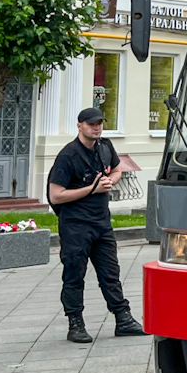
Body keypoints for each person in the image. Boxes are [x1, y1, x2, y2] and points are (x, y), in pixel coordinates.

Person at [48, 108, 144, 343]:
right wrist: (92, 189)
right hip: (75, 225)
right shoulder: (68, 156)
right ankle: (75, 324)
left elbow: (118, 170)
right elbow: (56, 195)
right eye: (92, 124)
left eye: (100, 123)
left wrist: (109, 181)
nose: (97, 127)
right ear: (80, 125)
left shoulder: (105, 146)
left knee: (111, 273)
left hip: (101, 222)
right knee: (74, 275)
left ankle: (123, 319)